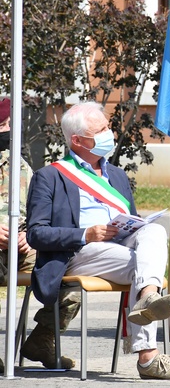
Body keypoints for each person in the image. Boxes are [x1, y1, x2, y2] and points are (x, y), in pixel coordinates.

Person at [26, 102, 170, 380]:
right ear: (78, 140)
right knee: (142, 269)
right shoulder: (50, 176)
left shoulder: (115, 175)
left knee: (154, 233)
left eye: (108, 127)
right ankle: (148, 358)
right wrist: (84, 233)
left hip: (119, 247)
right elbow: (36, 233)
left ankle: (147, 297)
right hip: (77, 253)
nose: (110, 133)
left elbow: (134, 220)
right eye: (101, 130)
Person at [0, 98, 81, 371]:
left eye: (8, 124)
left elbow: (36, 212)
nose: (6, 130)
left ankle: (43, 339)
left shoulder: (20, 167)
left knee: (67, 271)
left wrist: (27, 234)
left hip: (21, 248)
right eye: (2, 125)